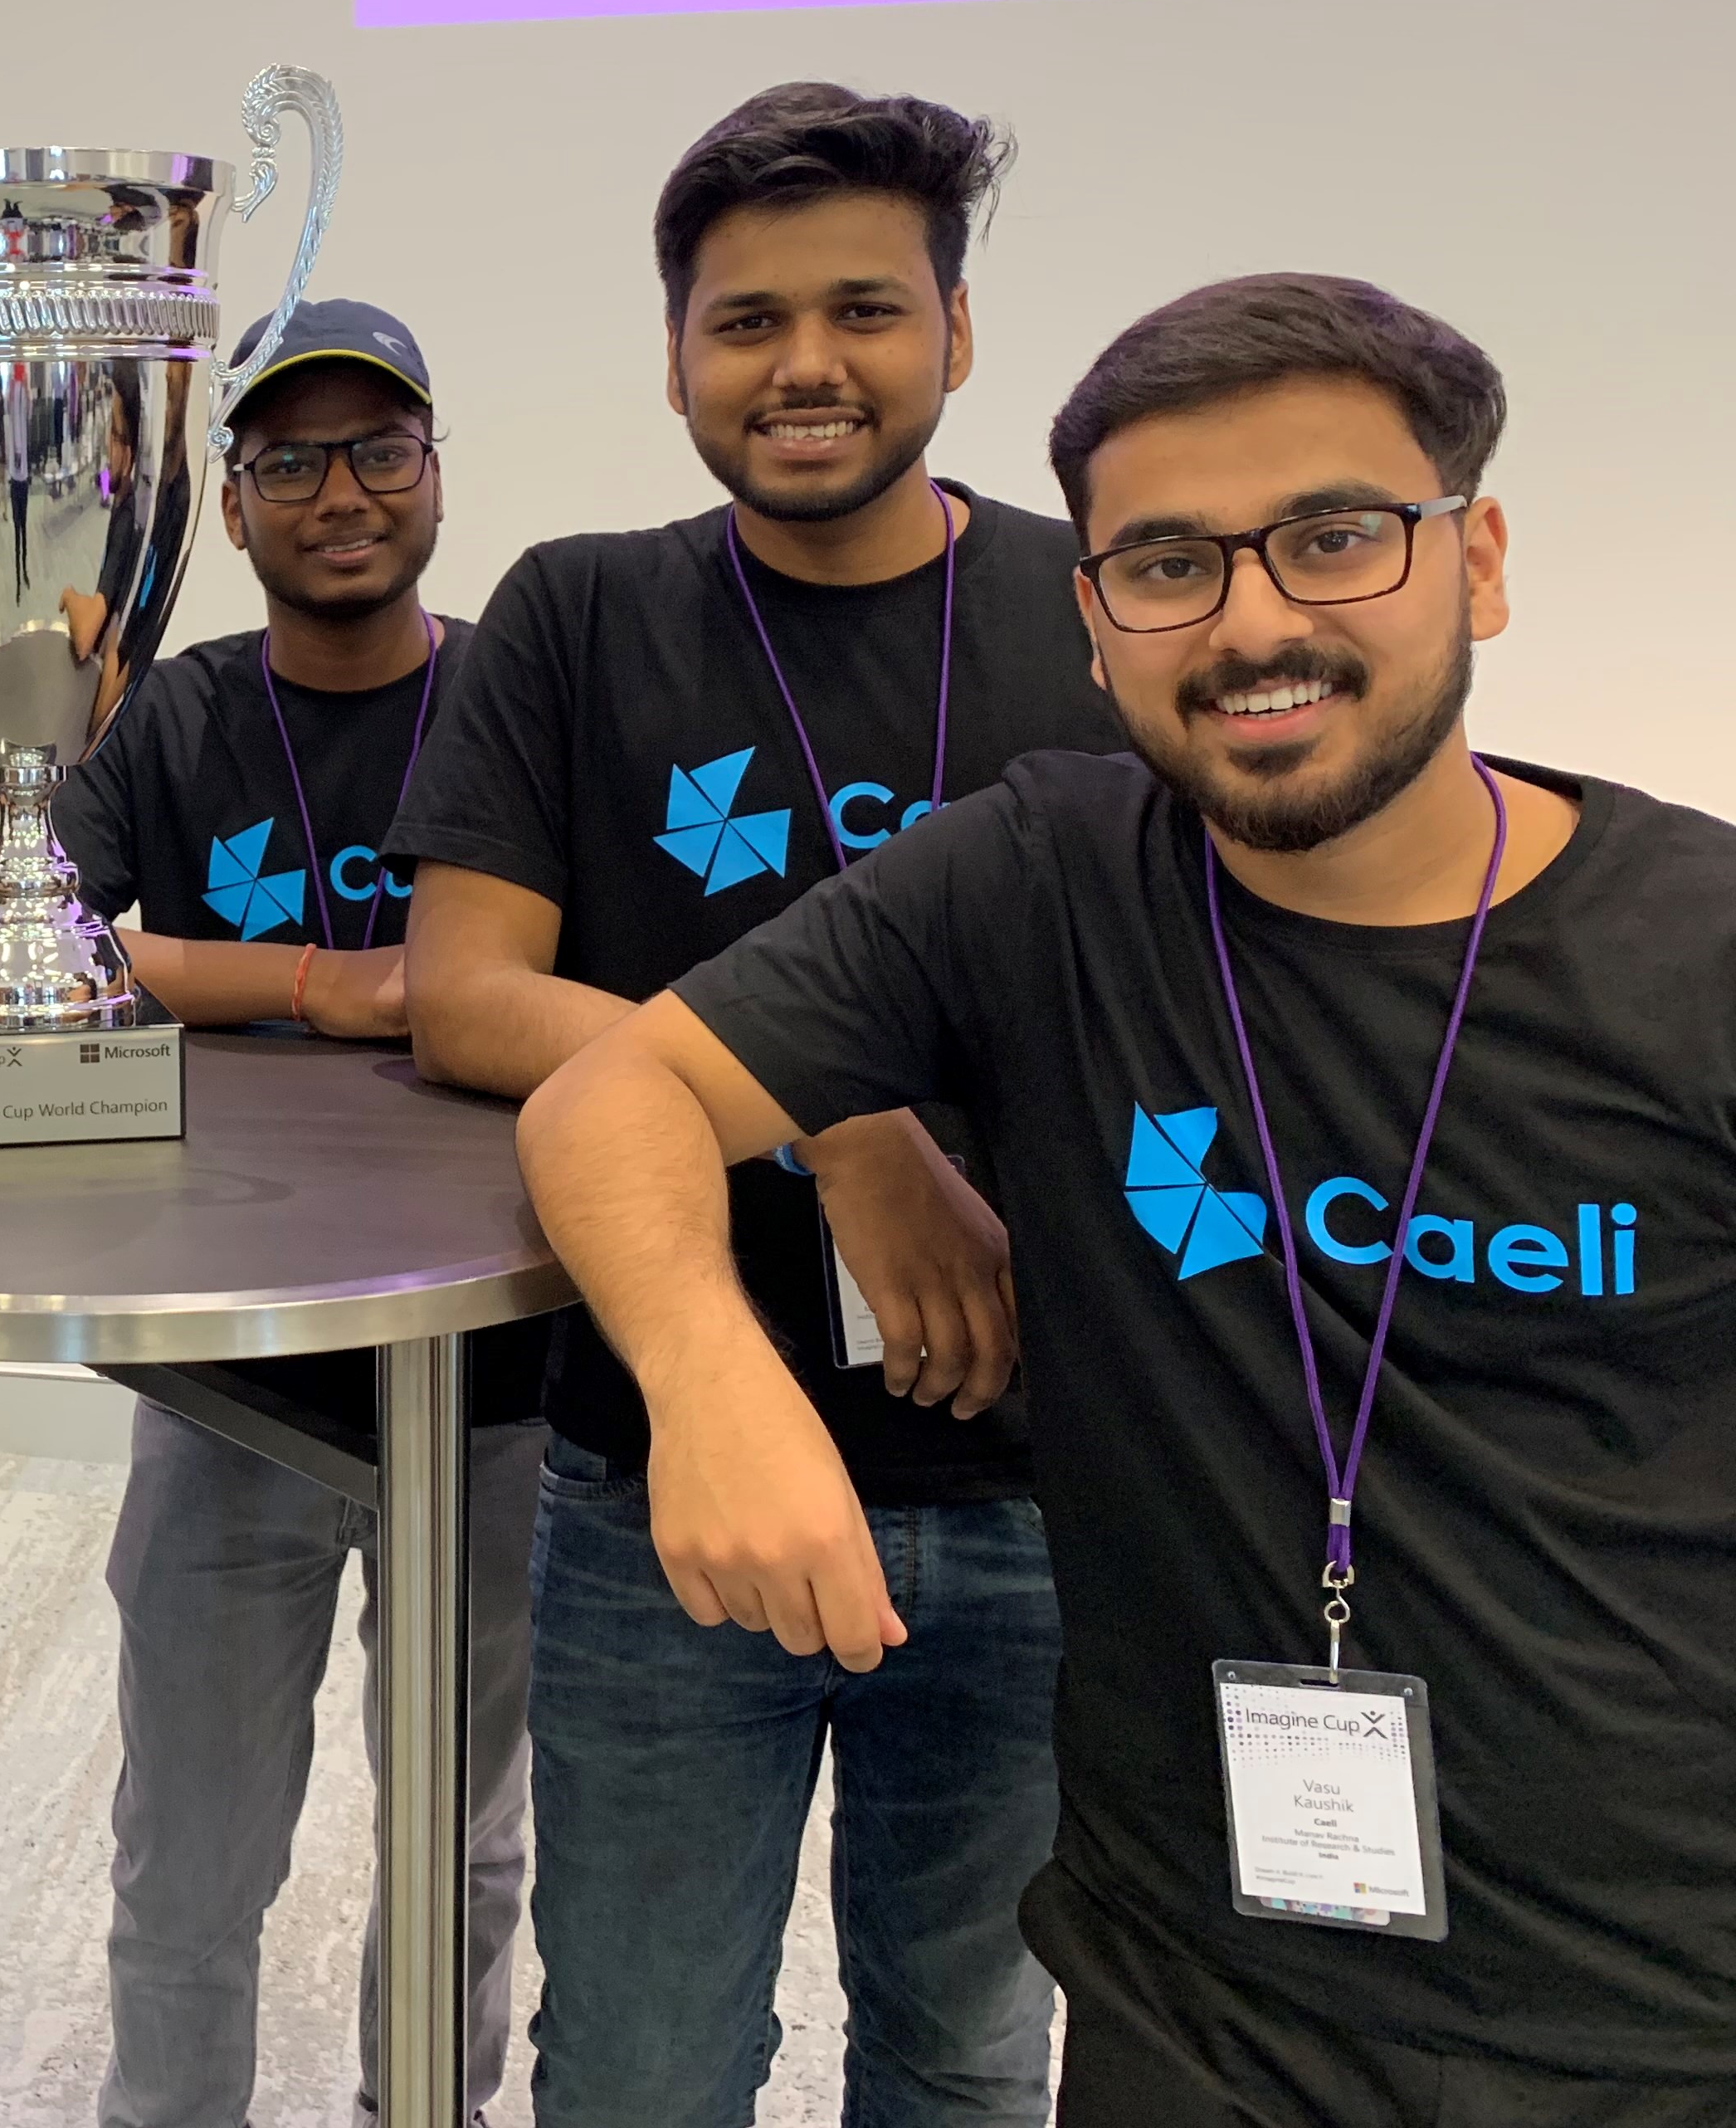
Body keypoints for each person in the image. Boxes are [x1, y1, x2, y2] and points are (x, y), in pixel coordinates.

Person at [514, 273, 1736, 2124]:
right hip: (1198, 2009)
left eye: (1336, 538)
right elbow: (619, 1088)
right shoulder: (1051, 878)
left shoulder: (1696, 956)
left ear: (1476, 561)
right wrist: (711, 1376)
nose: (1255, 623)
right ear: (1094, 623)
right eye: (1170, 564)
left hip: (1648, 2024)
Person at [394, 85, 1120, 2125]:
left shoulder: (1097, 614)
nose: (806, 366)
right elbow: (462, 994)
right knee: (636, 2063)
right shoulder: (582, 611)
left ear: (958, 339)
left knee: (972, 2053)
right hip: (659, 1486)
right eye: (747, 323)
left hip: (1040, 1488)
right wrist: (833, 1116)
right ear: (678, 360)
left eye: (866, 310)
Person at [54, 300, 551, 2128]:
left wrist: (193, 964)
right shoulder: (176, 713)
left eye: (379, 450)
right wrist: (319, 987)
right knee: (184, 1868)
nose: (339, 493)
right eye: (288, 461)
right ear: (234, 502)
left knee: (466, 1852)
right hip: (228, 1381)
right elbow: (43, 953)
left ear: (434, 473)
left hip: (497, 1383)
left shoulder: (522, 692)